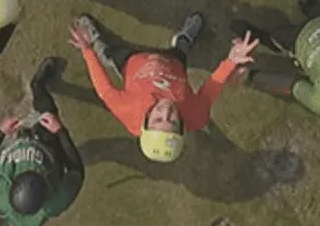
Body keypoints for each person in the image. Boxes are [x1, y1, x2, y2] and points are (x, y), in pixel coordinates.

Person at [68, 11, 257, 162]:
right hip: (173, 64)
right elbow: (210, 88)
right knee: (181, 50)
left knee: (108, 53)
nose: (166, 112)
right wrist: (231, 61)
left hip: (131, 63)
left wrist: (87, 51)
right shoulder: (197, 115)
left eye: (158, 120)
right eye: (173, 121)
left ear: (146, 121)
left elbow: (104, 90)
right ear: (182, 125)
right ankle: (184, 38)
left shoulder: (128, 109)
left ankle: (93, 38)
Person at [0, 57, 85, 226]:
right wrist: (60, 131)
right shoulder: (55, 202)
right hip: (50, 152)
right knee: (48, 112)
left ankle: (37, 86)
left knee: (41, 118)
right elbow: (77, 170)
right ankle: (38, 86)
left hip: (16, 145)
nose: (30, 166)